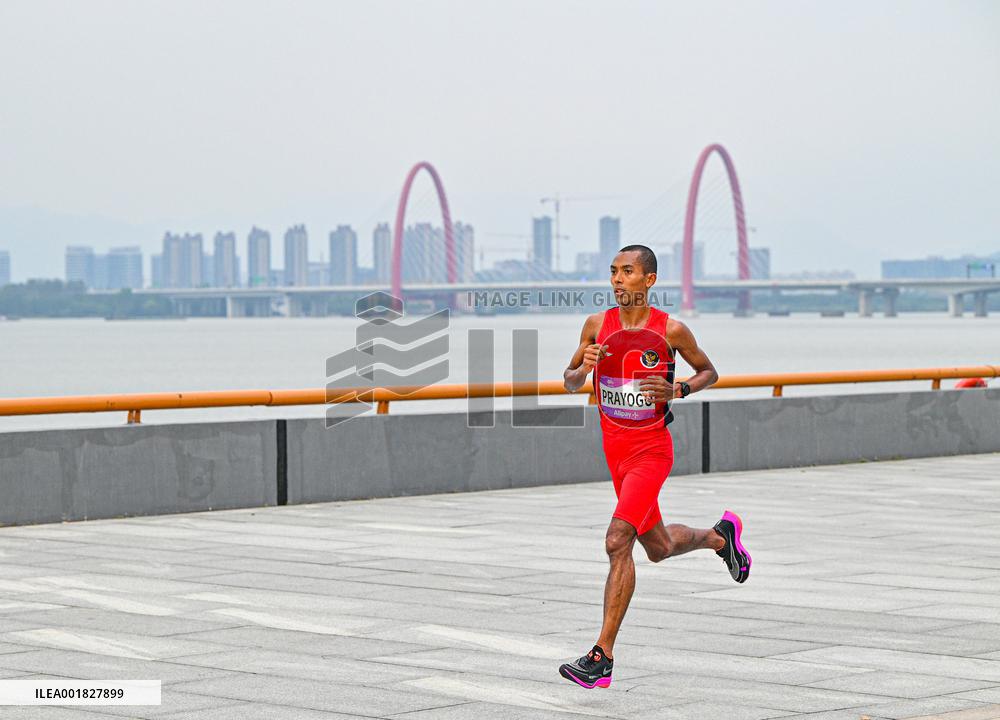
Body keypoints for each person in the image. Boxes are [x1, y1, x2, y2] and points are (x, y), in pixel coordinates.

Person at [557, 244, 751, 690]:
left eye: (627, 272)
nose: (617, 280)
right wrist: (580, 371)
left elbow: (709, 372)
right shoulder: (595, 326)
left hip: (651, 452)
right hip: (615, 453)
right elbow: (568, 382)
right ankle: (721, 538)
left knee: (616, 539)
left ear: (649, 280)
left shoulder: (671, 331)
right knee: (658, 547)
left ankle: (601, 656)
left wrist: (678, 389)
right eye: (613, 272)